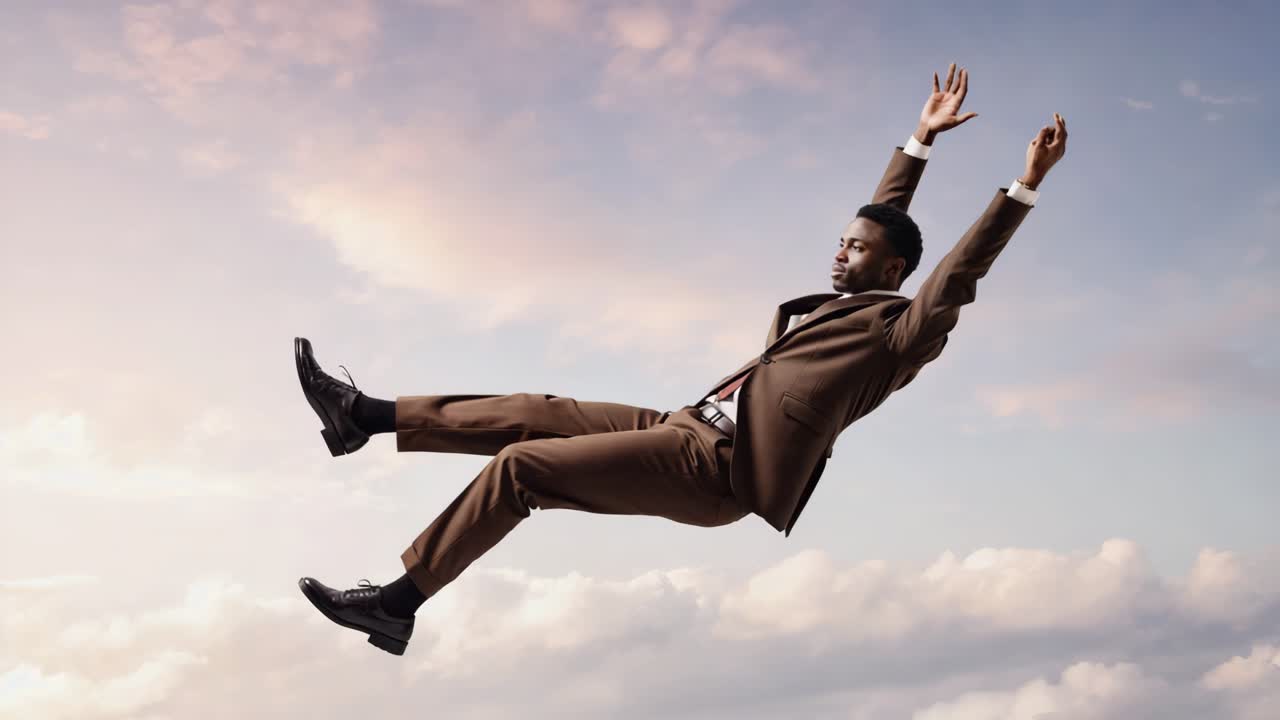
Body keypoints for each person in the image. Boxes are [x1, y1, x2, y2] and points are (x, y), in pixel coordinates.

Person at [294, 64, 1068, 655]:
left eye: (857, 250)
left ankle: (397, 604)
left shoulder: (900, 337)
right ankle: (362, 417)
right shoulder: (842, 297)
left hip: (720, 469)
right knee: (538, 410)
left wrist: (1022, 187)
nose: (840, 253)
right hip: (684, 423)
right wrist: (920, 141)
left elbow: (955, 275)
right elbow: (883, 218)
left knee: (520, 466)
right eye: (840, 241)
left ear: (893, 272)